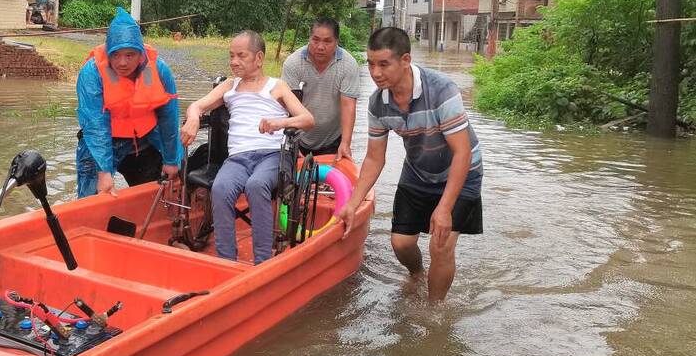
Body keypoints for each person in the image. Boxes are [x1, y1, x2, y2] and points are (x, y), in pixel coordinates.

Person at [335, 27, 483, 302]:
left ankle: (435, 310)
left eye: (383, 64)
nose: (375, 72)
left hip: (462, 171)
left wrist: (445, 208)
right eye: (370, 64)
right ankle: (417, 274)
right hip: (418, 170)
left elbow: (461, 153)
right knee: (401, 243)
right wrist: (353, 204)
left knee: (441, 245)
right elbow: (374, 158)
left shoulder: (441, 90)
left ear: (405, 60)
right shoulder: (378, 103)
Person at [181, 31, 314, 264]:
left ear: (259, 58)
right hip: (238, 158)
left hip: (272, 155)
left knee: (256, 185)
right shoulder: (229, 87)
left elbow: (307, 119)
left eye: (241, 56)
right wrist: (193, 118)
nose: (234, 62)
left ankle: (262, 261)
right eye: (231, 56)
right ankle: (226, 261)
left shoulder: (277, 86)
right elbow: (198, 105)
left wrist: (280, 122)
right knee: (220, 189)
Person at [75, 8, 182, 198]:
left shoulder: (159, 69)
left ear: (141, 54)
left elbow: (169, 117)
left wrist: (172, 160)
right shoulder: (92, 73)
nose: (122, 63)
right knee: (92, 200)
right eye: (115, 55)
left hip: (143, 140)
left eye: (129, 55)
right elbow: (95, 124)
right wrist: (104, 172)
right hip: (100, 142)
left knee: (155, 197)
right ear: (107, 52)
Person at [281, 17, 360, 162]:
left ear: (336, 42)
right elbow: (287, 107)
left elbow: (348, 106)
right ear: (309, 39)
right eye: (315, 40)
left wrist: (346, 143)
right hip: (299, 138)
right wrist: (292, 143)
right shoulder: (293, 63)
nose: (320, 46)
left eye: (327, 41)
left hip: (333, 139)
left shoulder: (348, 65)